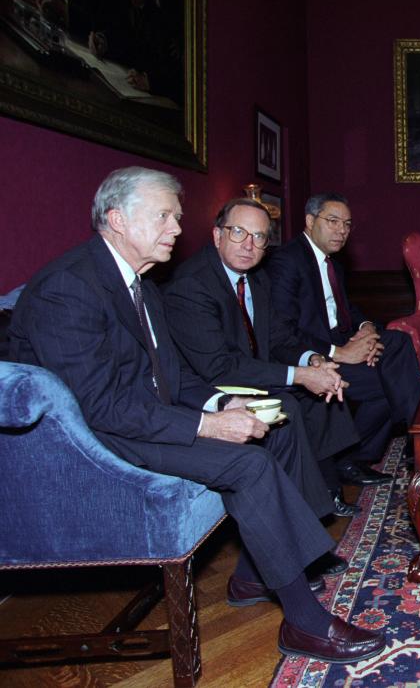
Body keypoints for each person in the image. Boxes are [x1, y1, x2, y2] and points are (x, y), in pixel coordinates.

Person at [8, 167, 385, 663]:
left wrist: (224, 403)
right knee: (248, 465)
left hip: (136, 419)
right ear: (117, 219)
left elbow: (175, 376)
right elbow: (100, 408)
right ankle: (305, 623)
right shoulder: (69, 287)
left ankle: (252, 575)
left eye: (177, 217)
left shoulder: (139, 283)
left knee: (276, 428)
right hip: (93, 445)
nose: (176, 229)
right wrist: (208, 425)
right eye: (164, 216)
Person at [164, 197, 364, 520]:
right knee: (294, 404)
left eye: (259, 237)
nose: (248, 245)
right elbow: (220, 368)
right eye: (239, 233)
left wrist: (312, 360)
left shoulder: (256, 279)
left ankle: (328, 493)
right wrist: (299, 376)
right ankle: (309, 516)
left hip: (248, 375)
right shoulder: (192, 285)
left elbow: (280, 338)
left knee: (322, 391)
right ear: (217, 236)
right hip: (208, 389)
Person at [265, 192, 420, 481]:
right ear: (310, 221)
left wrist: (367, 331)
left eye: (347, 224)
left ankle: (393, 440)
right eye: (333, 221)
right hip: (312, 355)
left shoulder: (332, 263)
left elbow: (347, 308)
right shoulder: (288, 261)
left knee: (397, 342)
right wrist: (340, 353)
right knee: (389, 383)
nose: (342, 230)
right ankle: (414, 438)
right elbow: (283, 332)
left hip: (343, 341)